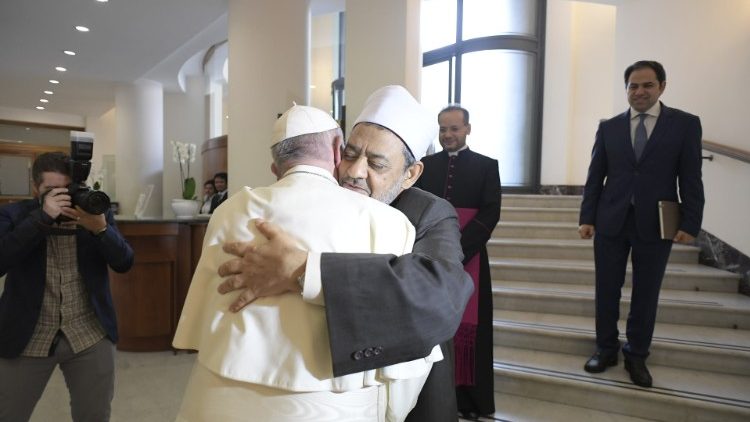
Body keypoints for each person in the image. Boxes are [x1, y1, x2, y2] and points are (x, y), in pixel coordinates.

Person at [217, 85, 474, 422]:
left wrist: (306, 272)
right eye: (350, 154)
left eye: (377, 164)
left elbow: (442, 294)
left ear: (410, 174)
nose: (353, 172)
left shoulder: (429, 213)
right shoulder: (314, 195)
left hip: (408, 392)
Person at [579, 60, 704, 388]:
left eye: (647, 85)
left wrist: (691, 222)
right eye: (633, 86)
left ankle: (637, 355)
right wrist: (587, 218)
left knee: (646, 293)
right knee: (606, 289)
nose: (639, 92)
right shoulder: (609, 127)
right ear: (626, 90)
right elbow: (596, 176)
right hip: (610, 220)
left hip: (656, 223)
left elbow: (691, 178)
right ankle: (605, 348)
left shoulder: (685, 125)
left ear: (662, 86)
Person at [0, 152, 134, 421]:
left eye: (68, 190)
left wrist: (100, 229)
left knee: (94, 416)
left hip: (89, 333)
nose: (62, 198)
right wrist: (41, 219)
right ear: (35, 188)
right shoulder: (13, 214)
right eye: (52, 191)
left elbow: (125, 262)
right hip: (27, 335)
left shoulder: (95, 212)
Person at [415, 105, 500, 418]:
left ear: (467, 129)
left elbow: (491, 212)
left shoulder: (487, 166)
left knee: (472, 332)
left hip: (471, 255)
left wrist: (458, 249)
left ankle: (471, 401)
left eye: (454, 128)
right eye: (443, 129)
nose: (448, 135)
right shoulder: (425, 166)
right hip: (431, 256)